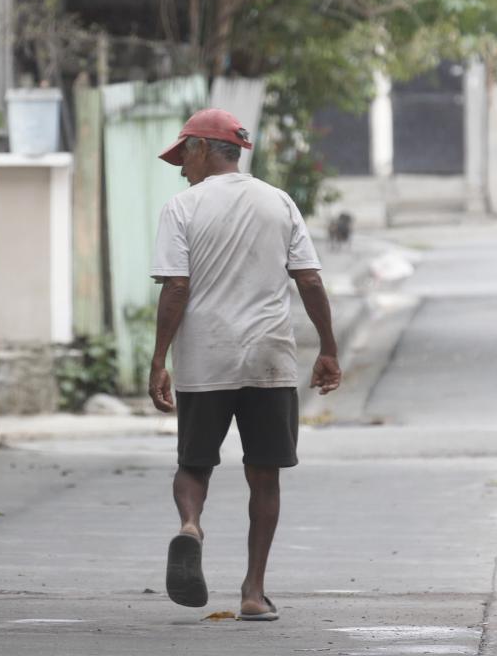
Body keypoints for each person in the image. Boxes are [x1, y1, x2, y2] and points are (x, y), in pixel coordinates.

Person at [148, 108, 341, 621]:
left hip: (204, 358)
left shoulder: (182, 208)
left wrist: (158, 360)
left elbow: (176, 287)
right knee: (265, 475)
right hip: (269, 358)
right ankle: (253, 593)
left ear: (201, 149)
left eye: (182, 156)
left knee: (193, 465)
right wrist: (328, 348)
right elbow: (310, 281)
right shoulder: (279, 202)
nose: (180, 168)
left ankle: (191, 525)